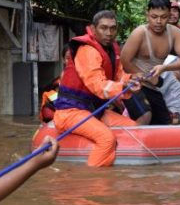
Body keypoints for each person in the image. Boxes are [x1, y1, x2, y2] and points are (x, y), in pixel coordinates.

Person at [53, 10, 143, 167]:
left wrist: (132, 80)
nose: (109, 33)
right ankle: (94, 184)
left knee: (133, 128)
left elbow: (119, 76)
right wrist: (123, 86)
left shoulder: (112, 49)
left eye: (113, 28)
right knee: (106, 138)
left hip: (93, 110)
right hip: (70, 112)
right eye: (104, 28)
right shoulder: (87, 50)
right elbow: (97, 85)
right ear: (93, 29)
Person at [120, 0, 180, 124]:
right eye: (154, 17)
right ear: (147, 14)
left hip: (155, 85)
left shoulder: (176, 33)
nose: (158, 21)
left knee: (166, 123)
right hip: (135, 84)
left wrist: (165, 68)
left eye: (164, 17)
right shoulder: (139, 33)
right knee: (145, 116)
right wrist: (142, 76)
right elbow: (125, 61)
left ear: (169, 15)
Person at [39, 47, 69, 123]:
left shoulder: (87, 80)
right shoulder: (53, 87)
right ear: (63, 60)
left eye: (74, 58)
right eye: (68, 58)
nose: (71, 62)